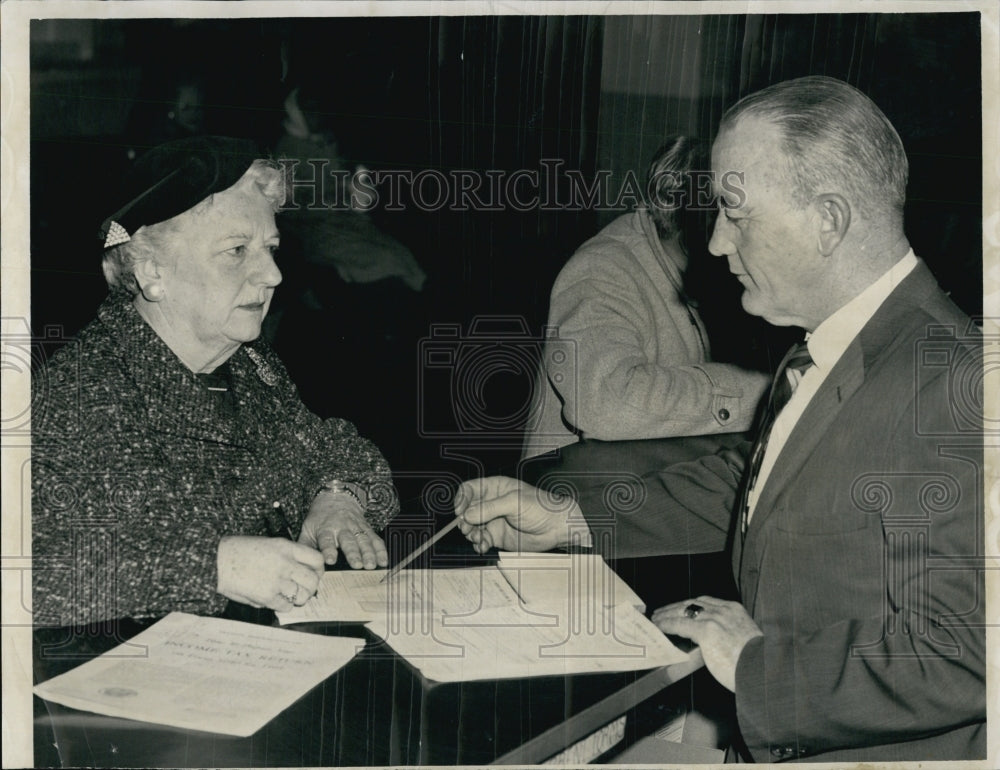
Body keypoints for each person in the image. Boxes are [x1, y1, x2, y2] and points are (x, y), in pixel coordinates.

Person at [453, 76, 985, 762]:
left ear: (828, 219)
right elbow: (759, 484)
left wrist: (754, 665)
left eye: (734, 211)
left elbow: (970, 654)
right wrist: (570, 516)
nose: (713, 244)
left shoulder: (955, 382)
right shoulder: (839, 342)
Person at [32, 136, 399, 628]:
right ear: (151, 272)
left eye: (270, 248)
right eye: (236, 251)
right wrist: (214, 566)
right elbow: (30, 572)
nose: (272, 274)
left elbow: (333, 446)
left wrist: (338, 498)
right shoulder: (80, 395)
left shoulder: (246, 363)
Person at [522, 137, 769, 460]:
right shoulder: (602, 268)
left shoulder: (697, 272)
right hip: (572, 498)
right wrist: (763, 392)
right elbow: (608, 405)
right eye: (728, 217)